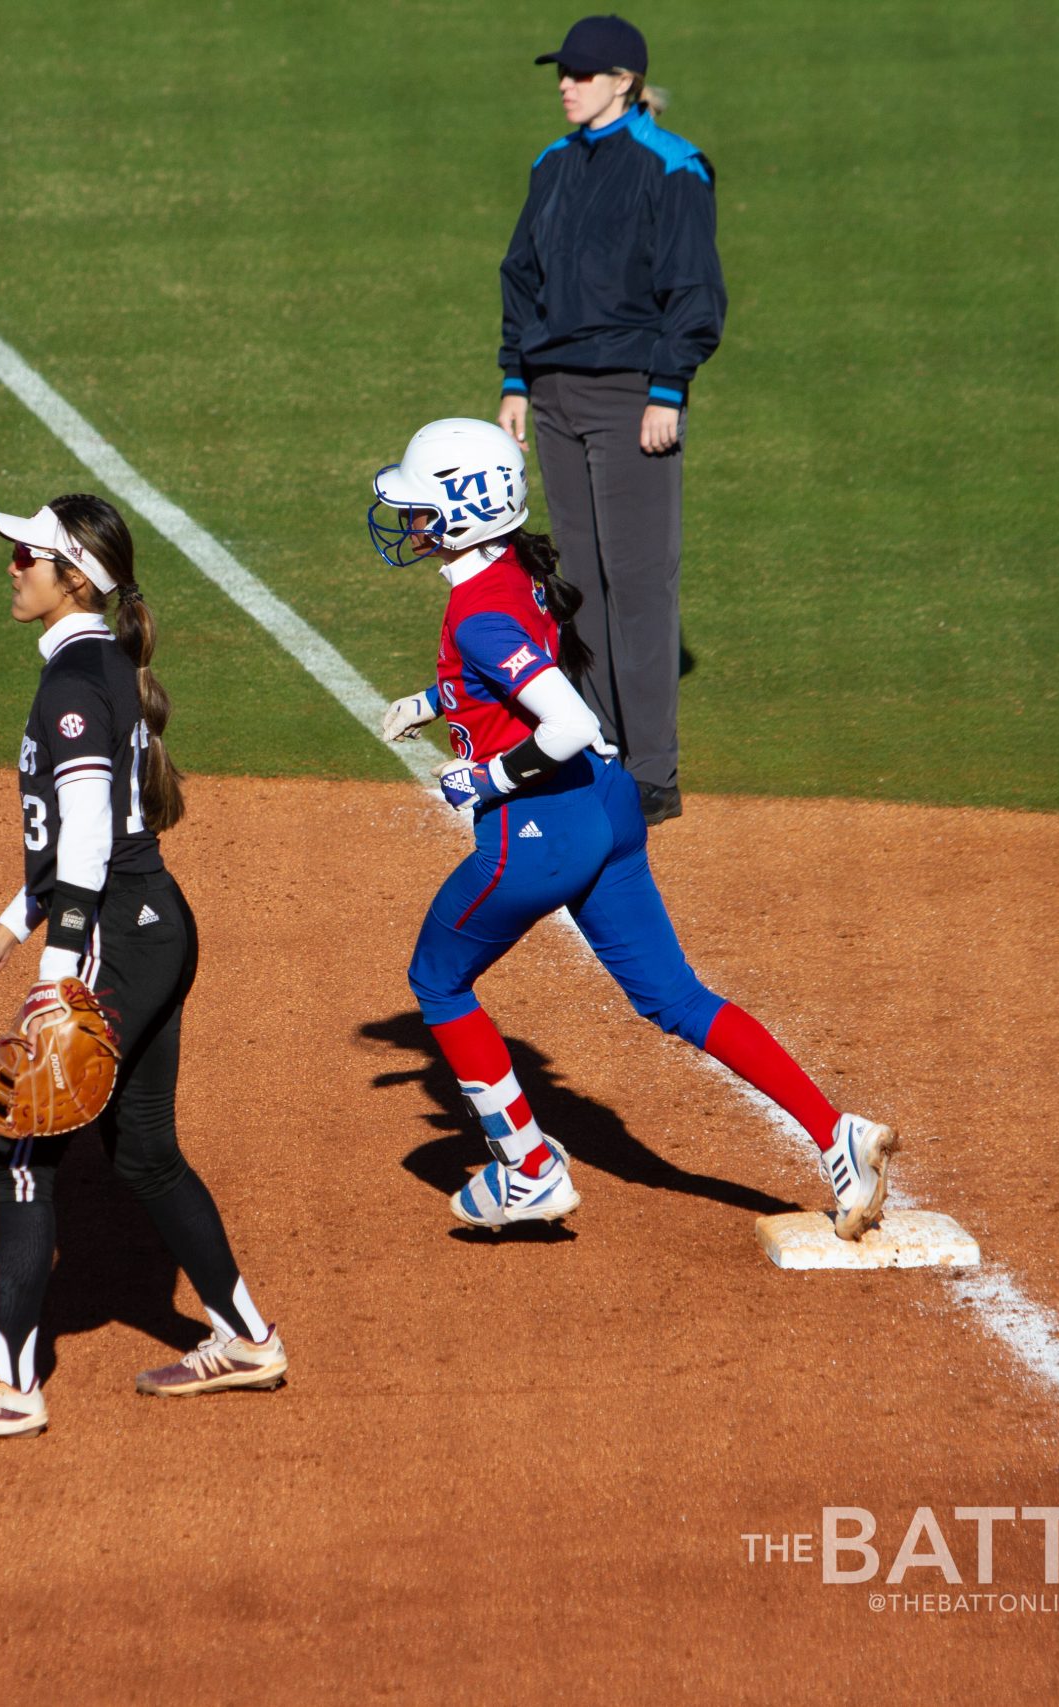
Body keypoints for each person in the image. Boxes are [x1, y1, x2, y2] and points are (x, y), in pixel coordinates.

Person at [368, 419, 895, 1235]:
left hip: (540, 835)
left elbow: (566, 721)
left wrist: (485, 775)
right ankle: (839, 1135)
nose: (411, 524)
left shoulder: (476, 612)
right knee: (675, 995)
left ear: (464, 511)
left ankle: (530, 1168)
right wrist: (434, 702)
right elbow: (513, 677)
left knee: (438, 979)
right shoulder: (514, 571)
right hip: (607, 809)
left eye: (422, 508)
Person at [0, 495, 286, 1441]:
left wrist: (54, 974)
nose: (12, 566)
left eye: (28, 554)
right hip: (154, 925)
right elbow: (93, 832)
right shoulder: (104, 665)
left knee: (21, 1140)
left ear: (75, 576)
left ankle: (9, 1383)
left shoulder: (74, 683)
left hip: (116, 931)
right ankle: (245, 1338)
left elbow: (82, 846)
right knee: (143, 1152)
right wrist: (3, 929)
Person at [496, 14, 724, 827]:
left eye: (583, 74)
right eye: (563, 72)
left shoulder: (673, 168)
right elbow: (520, 275)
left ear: (625, 81)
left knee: (639, 584)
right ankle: (596, 747)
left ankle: (653, 771)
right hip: (554, 396)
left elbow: (695, 292)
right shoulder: (551, 166)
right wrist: (516, 377)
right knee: (579, 582)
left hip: (631, 397)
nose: (566, 83)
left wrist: (668, 390)